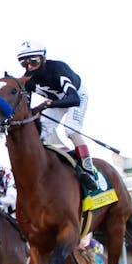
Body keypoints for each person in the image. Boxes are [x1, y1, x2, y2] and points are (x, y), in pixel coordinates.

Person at [17, 40, 98, 191]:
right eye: (24, 63)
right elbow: (26, 109)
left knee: (71, 130)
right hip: (56, 100)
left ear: (44, 58)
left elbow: (73, 99)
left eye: (33, 61)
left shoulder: (58, 68)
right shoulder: (27, 80)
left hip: (76, 96)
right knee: (39, 134)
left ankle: (89, 171)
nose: (29, 66)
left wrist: (45, 105)